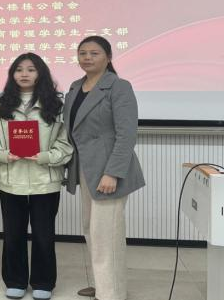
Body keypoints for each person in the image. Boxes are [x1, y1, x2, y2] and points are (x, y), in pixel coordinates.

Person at [0, 53, 73, 300]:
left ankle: (43, 282)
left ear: (40, 73)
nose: (24, 74)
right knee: (13, 233)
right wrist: (3, 155)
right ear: (12, 74)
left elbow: (65, 143)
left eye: (31, 69)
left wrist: (46, 156)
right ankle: (15, 280)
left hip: (45, 180)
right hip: (11, 179)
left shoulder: (56, 105)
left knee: (44, 235)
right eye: (19, 69)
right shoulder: (0, 104)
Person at [63, 36, 145, 300]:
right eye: (82, 53)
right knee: (92, 229)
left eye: (94, 53)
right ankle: (103, 284)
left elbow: (127, 134)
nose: (87, 57)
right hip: (85, 169)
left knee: (107, 235)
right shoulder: (76, 87)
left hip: (108, 171)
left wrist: (113, 172)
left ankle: (111, 293)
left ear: (108, 57)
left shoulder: (119, 86)